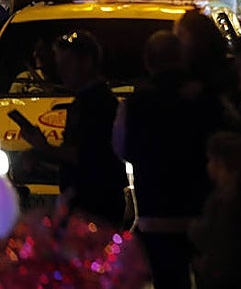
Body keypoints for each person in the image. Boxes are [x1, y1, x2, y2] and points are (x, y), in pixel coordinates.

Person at [114, 32, 227, 289]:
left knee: (168, 281)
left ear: (148, 61)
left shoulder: (135, 104)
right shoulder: (205, 97)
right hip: (202, 213)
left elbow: (122, 149)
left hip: (156, 216)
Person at [16, 31, 127, 226]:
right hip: (86, 204)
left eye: (66, 64)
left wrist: (44, 149)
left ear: (87, 63)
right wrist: (41, 154)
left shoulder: (98, 103)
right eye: (59, 64)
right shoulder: (83, 101)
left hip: (95, 207)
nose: (61, 71)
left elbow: (88, 156)